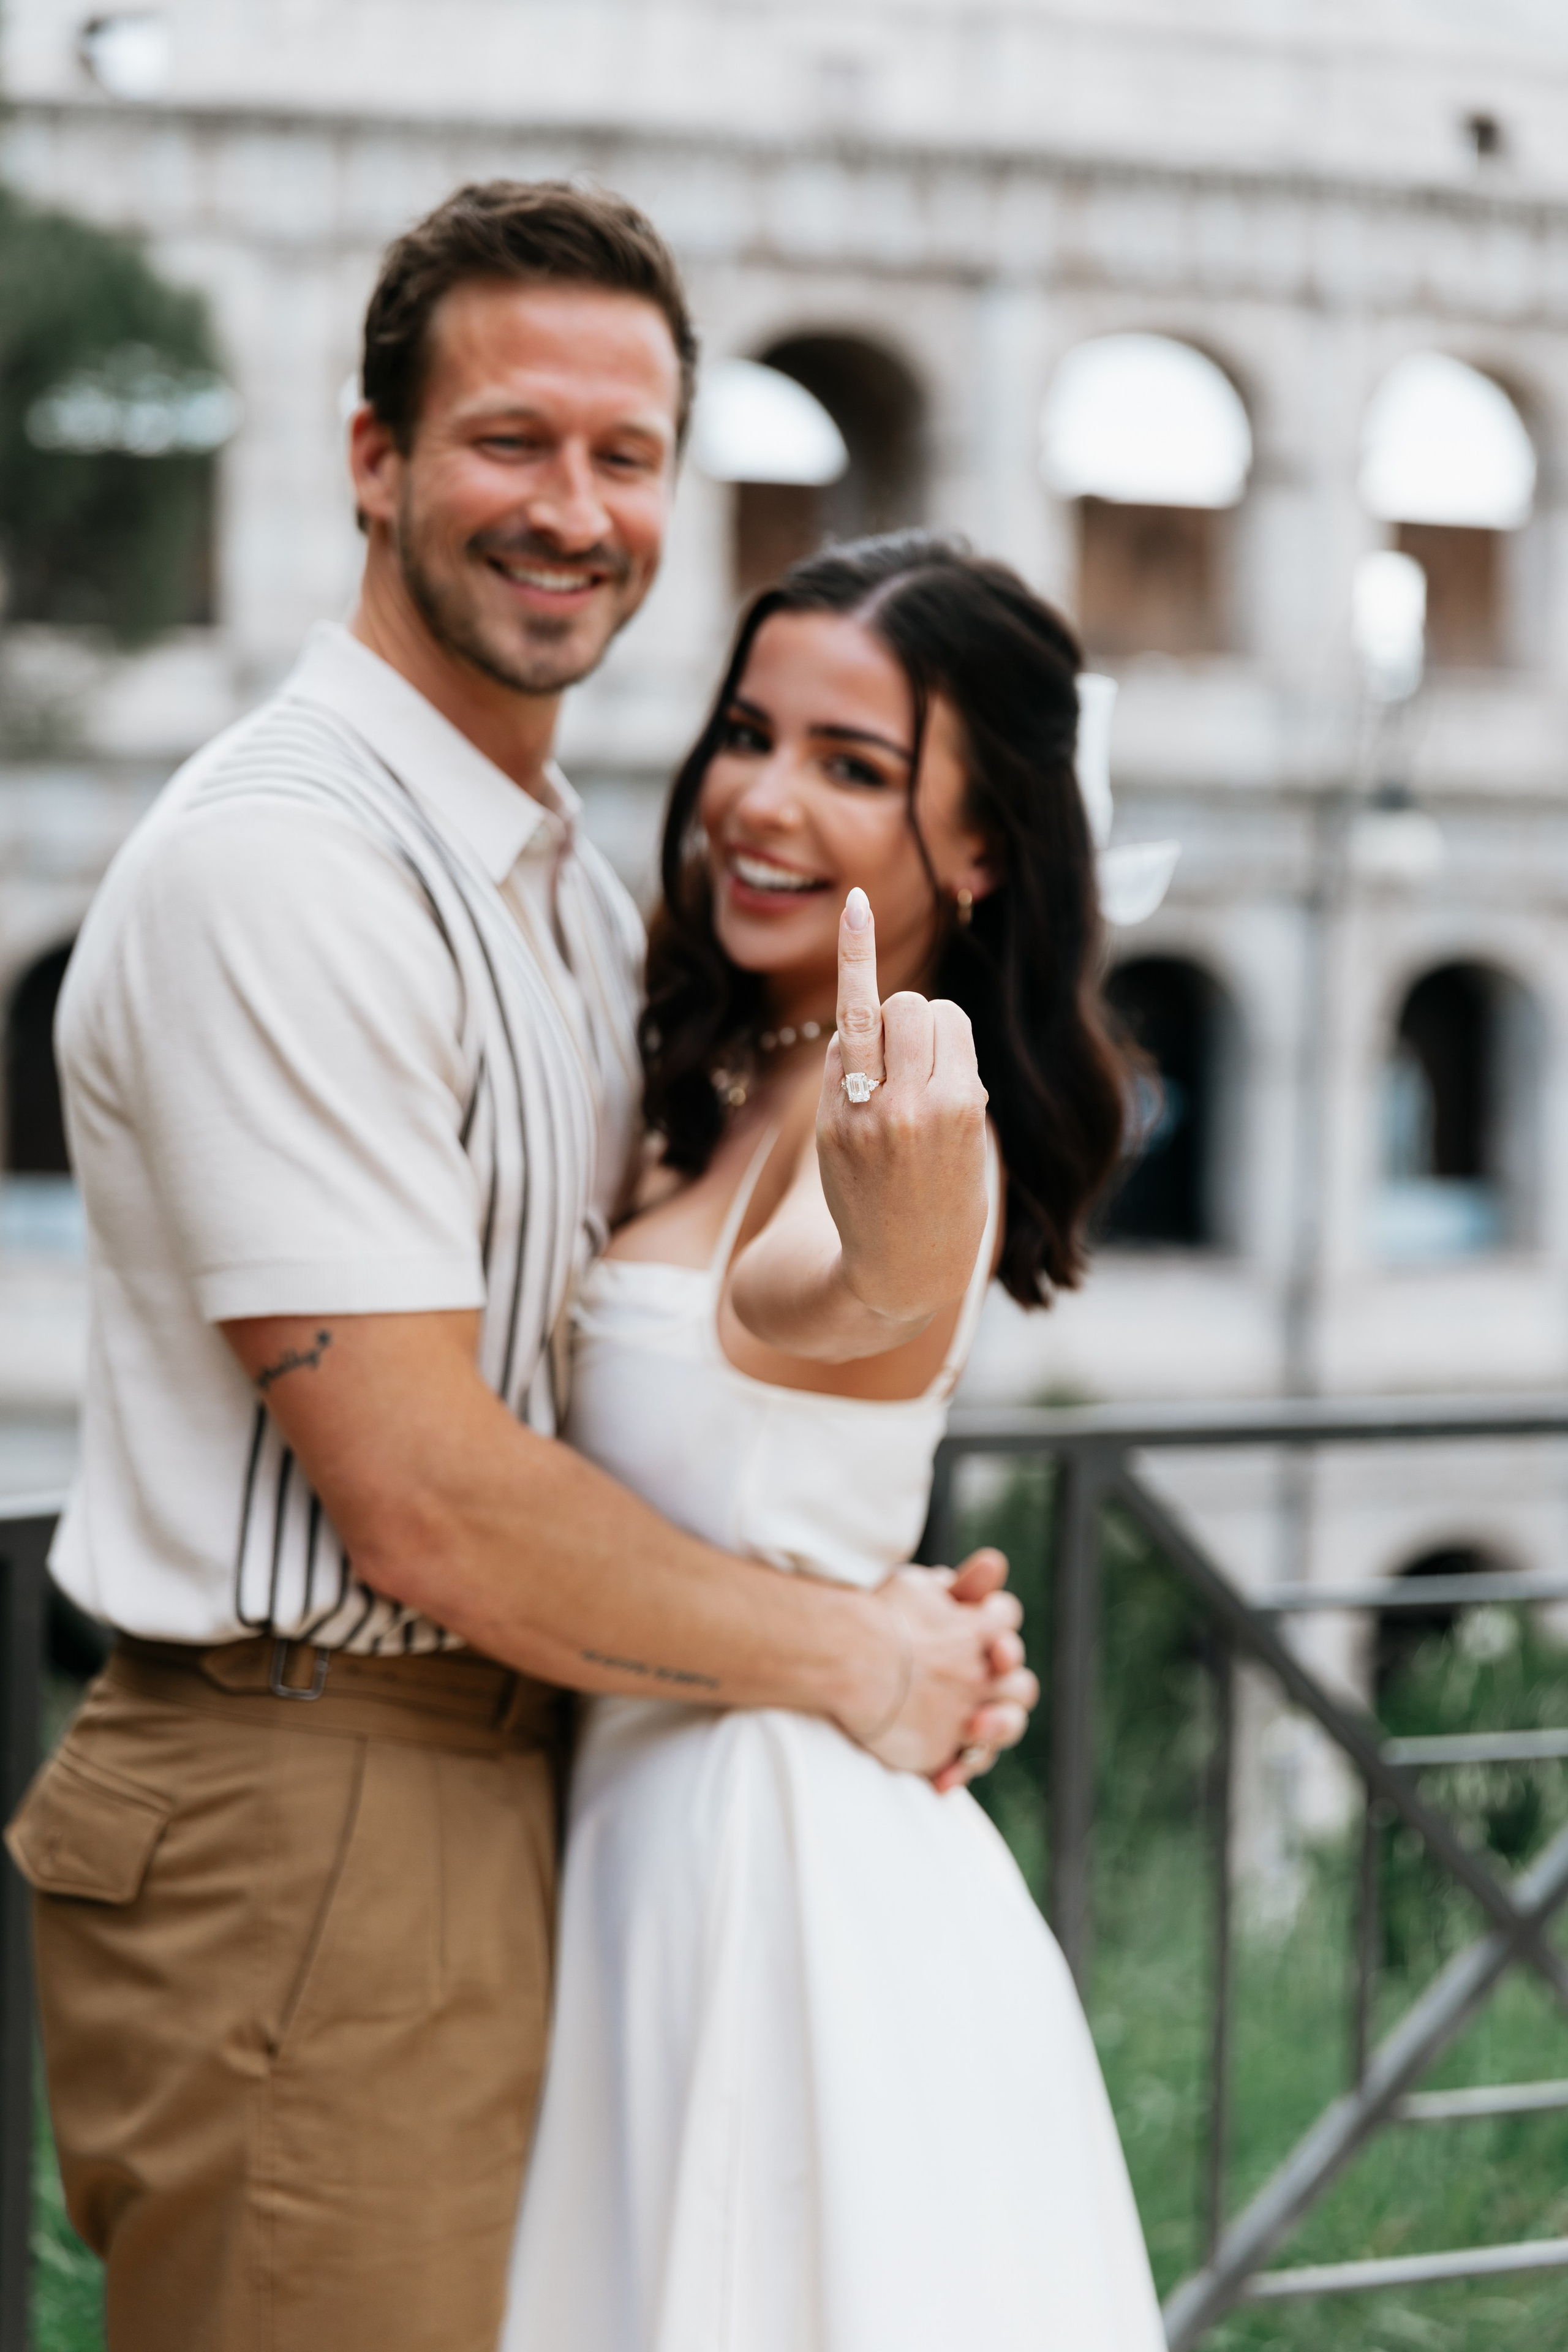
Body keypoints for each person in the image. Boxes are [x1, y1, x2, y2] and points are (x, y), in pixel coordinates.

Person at [3, 186, 1032, 2352]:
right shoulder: (292, 862)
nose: (573, 509)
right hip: (317, 1799)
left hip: (529, 1785)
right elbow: (429, 1492)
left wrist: (868, 1583)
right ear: (371, 461)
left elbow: (742, 1342)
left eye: (627, 455)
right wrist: (851, 1657)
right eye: (508, 440)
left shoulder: (564, 890)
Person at [501, 532, 1167, 2352]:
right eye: (748, 733)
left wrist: (898, 1228)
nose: (762, 801)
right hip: (648, 1833)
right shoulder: (722, 1073)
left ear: (977, 850)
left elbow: (816, 1300)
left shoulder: (892, 1121)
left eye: (853, 766)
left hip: (775, 1894)